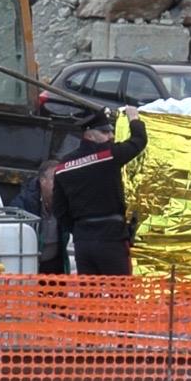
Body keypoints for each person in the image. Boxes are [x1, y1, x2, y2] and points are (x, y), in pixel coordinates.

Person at [52, 105, 147, 276]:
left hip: (83, 242)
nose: (111, 136)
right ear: (89, 135)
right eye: (104, 132)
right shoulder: (108, 155)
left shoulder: (63, 166)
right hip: (111, 238)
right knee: (120, 297)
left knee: (90, 298)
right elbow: (139, 141)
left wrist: (80, 231)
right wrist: (134, 118)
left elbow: (59, 209)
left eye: (110, 131)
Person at [9, 158, 66, 274]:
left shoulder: (65, 201)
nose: (61, 184)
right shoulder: (24, 202)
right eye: (56, 180)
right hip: (30, 266)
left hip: (55, 265)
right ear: (42, 181)